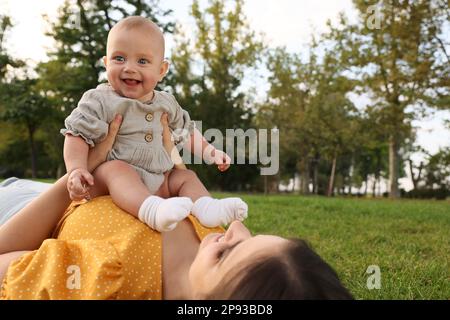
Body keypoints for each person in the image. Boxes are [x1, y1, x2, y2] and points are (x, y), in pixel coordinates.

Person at [0, 118, 353, 300]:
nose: (236, 229)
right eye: (251, 236)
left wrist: (77, 175)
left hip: (25, 205)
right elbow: (175, 176)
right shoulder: (210, 230)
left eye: (227, 253)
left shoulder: (108, 280)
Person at [60, 15, 247, 232]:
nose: (129, 68)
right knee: (117, 169)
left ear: (161, 70)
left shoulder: (166, 103)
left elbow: (186, 131)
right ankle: (151, 211)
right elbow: (76, 134)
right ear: (106, 63)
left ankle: (206, 207)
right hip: (113, 182)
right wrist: (76, 169)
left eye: (142, 61)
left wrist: (210, 152)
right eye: (119, 58)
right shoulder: (99, 99)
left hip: (160, 180)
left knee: (185, 176)